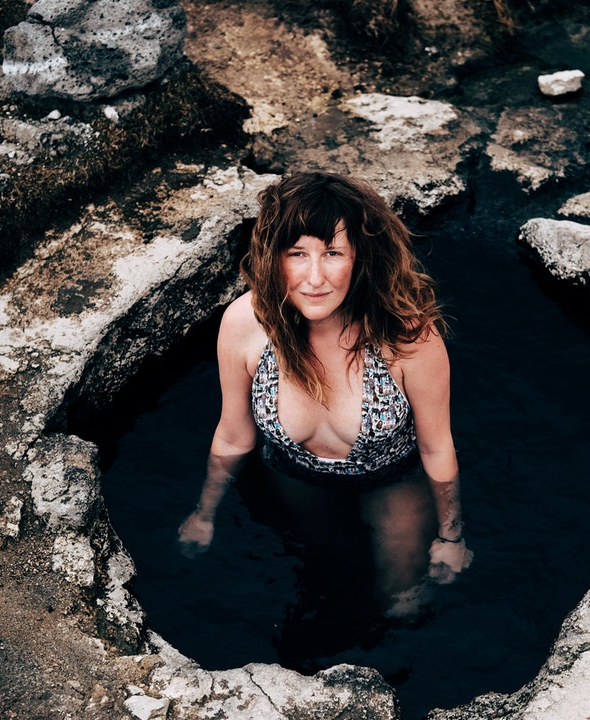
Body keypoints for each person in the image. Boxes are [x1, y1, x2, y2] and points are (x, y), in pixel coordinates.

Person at [177, 171, 472, 619]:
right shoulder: (246, 324)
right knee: (317, 570)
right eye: (298, 254)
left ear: (360, 256)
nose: (314, 278)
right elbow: (235, 435)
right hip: (295, 476)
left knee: (405, 604)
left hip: (389, 477)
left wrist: (452, 537)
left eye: (333, 253)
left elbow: (436, 446)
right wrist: (205, 513)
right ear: (274, 257)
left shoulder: (407, 337)